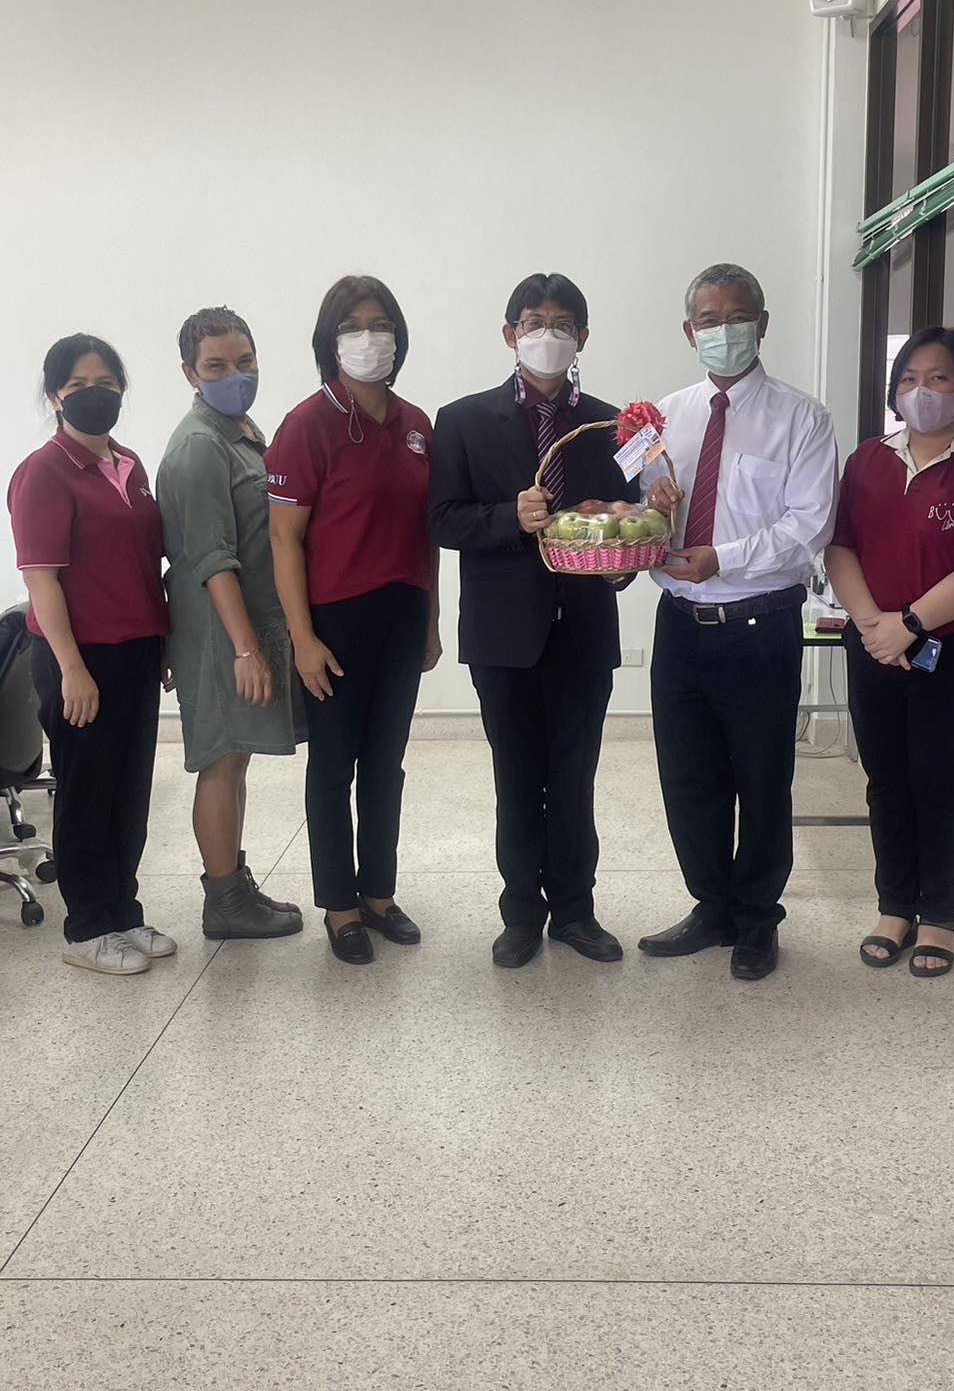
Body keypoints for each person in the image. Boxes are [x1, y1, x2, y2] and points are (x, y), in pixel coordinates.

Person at [638, 263, 838, 981]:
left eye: (736, 316)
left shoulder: (802, 419)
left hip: (760, 626)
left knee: (761, 777)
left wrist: (722, 558)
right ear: (689, 332)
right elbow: (649, 514)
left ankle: (756, 918)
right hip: (678, 624)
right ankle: (712, 906)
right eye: (709, 320)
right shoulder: (665, 417)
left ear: (763, 323)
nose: (723, 330)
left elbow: (809, 526)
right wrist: (654, 507)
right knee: (687, 776)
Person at [429, 272, 632, 970]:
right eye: (534, 322)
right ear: (509, 333)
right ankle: (520, 914)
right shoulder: (462, 420)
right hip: (502, 636)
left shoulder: (613, 425)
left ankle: (575, 911)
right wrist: (507, 518)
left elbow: (627, 520)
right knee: (515, 780)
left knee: (574, 780)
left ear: (583, 337)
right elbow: (442, 520)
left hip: (583, 630)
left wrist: (623, 565)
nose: (548, 334)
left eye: (562, 323)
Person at [825, 327, 954, 978]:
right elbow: (840, 547)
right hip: (875, 644)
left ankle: (940, 916)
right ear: (895, 390)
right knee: (886, 780)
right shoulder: (868, 460)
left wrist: (910, 623)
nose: (923, 391)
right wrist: (874, 625)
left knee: (945, 781)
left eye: (939, 378)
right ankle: (895, 908)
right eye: (910, 379)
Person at [267, 275, 440, 967]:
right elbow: (283, 539)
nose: (370, 338)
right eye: (353, 326)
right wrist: (302, 639)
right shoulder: (307, 425)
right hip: (335, 621)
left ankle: (379, 894)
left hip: (403, 613)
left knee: (386, 763)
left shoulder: (418, 425)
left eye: (381, 324)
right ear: (329, 341)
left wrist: (431, 620)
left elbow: (427, 534)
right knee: (335, 764)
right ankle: (340, 906)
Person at [7, 335, 174, 975]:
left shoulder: (129, 463)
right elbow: (42, 581)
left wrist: (160, 642)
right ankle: (86, 927)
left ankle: (122, 912)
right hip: (80, 659)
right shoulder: (43, 472)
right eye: (78, 385)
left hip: (136, 650)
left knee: (128, 791)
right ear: (55, 396)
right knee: (86, 792)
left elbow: (142, 562)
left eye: (105, 382)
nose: (94, 394)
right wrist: (73, 669)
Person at [156, 307, 304, 940]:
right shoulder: (199, 446)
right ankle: (223, 902)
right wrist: (246, 650)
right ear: (190, 373)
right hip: (219, 632)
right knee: (220, 760)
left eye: (244, 361)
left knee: (235, 758)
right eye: (216, 366)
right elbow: (212, 559)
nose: (235, 375)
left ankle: (233, 886)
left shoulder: (240, 429)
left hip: (243, 626)